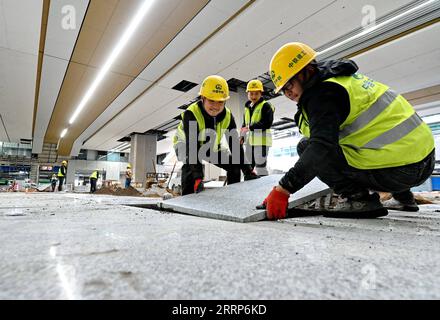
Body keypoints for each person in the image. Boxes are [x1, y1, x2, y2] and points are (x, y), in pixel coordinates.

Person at [261, 42, 435, 219]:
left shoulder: (323, 95)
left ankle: (358, 199)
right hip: (425, 160)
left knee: (307, 146)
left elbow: (320, 146)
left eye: (289, 85)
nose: (288, 94)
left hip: (402, 172)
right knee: (366, 143)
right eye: (283, 91)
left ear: (305, 71)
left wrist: (284, 189)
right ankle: (405, 197)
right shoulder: (343, 80)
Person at [173, 75, 259, 195]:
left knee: (234, 164)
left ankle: (233, 195)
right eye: (211, 100)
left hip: (209, 146)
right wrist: (198, 177)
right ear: (203, 98)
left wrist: (248, 170)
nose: (215, 106)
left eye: (220, 102)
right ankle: (187, 201)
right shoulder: (191, 113)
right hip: (185, 144)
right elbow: (192, 149)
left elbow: (235, 146)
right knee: (190, 167)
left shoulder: (228, 116)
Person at [241, 79, 275, 176]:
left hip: (262, 142)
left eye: (256, 94)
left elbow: (267, 123)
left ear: (261, 93)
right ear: (248, 94)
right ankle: (249, 188)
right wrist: (242, 136)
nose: (254, 96)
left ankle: (263, 189)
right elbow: (244, 124)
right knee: (248, 168)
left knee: (260, 167)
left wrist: (250, 127)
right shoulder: (247, 107)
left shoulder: (266, 106)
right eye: (251, 94)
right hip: (249, 142)